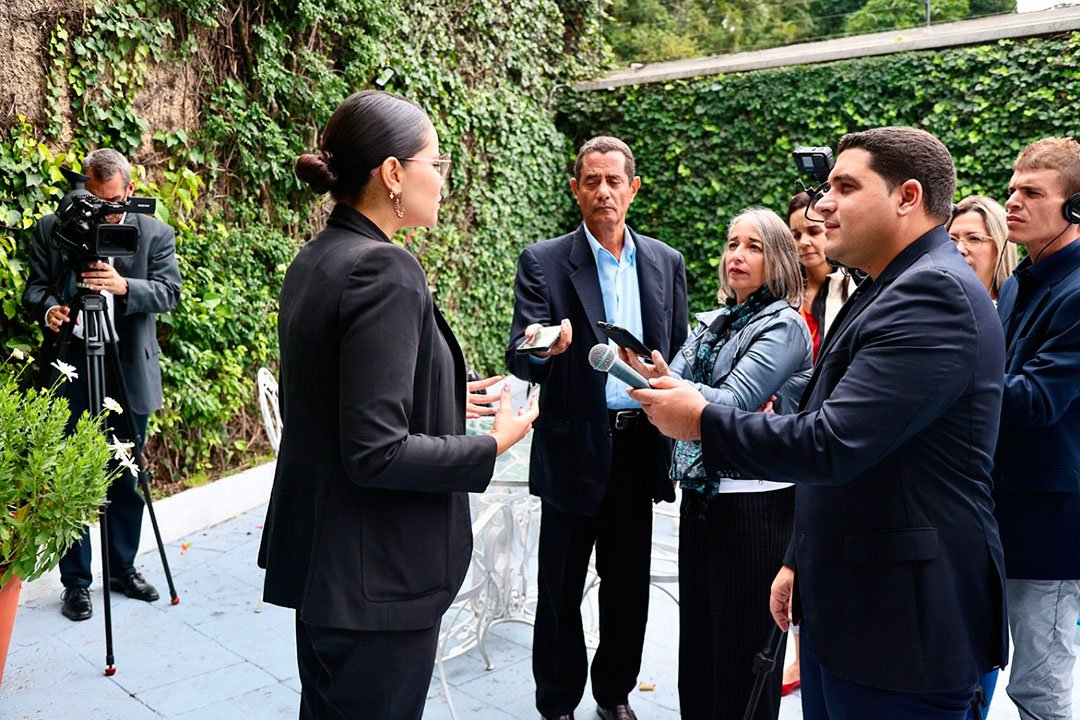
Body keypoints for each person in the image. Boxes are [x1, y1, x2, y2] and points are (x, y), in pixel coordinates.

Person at [629, 126, 1007, 720]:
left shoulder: (931, 292)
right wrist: (800, 557)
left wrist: (702, 419)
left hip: (901, 630)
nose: (822, 202)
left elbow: (831, 441)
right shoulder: (886, 287)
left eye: (845, 186)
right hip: (853, 606)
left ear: (908, 196)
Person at [257, 90, 537, 720]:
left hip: (330, 572)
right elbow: (375, 451)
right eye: (434, 163)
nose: (441, 180)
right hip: (375, 581)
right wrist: (492, 442)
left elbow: (338, 391)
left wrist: (441, 397)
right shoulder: (385, 269)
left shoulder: (319, 256)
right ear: (392, 174)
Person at [505, 135, 688, 720]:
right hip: (572, 444)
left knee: (628, 585)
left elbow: (680, 352)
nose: (603, 191)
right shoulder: (545, 261)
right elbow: (519, 351)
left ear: (633, 189)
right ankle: (557, 702)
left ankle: (614, 694)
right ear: (575, 188)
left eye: (614, 181)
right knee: (559, 586)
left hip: (639, 443)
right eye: (592, 181)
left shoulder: (665, 262)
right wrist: (549, 345)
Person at [622, 206, 810, 719]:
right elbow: (682, 393)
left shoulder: (786, 326)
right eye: (732, 244)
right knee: (699, 650)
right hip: (702, 498)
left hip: (758, 507)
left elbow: (730, 402)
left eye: (753, 246)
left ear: (779, 259)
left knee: (744, 656)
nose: (737, 256)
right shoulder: (716, 323)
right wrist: (661, 379)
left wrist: (685, 392)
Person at [22, 147, 182, 622]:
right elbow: (34, 289)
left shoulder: (155, 232)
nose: (104, 211)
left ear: (130, 192)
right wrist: (48, 309)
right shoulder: (54, 227)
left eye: (113, 202)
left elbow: (169, 291)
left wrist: (123, 286)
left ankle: (122, 569)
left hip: (126, 368)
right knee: (70, 479)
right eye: (93, 199)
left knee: (127, 476)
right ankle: (76, 583)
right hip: (69, 365)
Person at [992, 136, 1080, 720]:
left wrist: (937, 375)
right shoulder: (1022, 278)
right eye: (1011, 190)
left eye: (1032, 192)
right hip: (996, 510)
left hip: (1049, 528)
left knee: (1038, 689)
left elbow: (1036, 399)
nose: (1012, 203)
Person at [789, 192, 851, 362]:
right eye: (796, 235)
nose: (804, 242)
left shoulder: (856, 288)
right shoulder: (782, 293)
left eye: (813, 231)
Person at [947, 195, 1017, 304]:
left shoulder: (1020, 313)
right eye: (952, 239)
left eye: (974, 239)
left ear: (1000, 247)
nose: (959, 248)